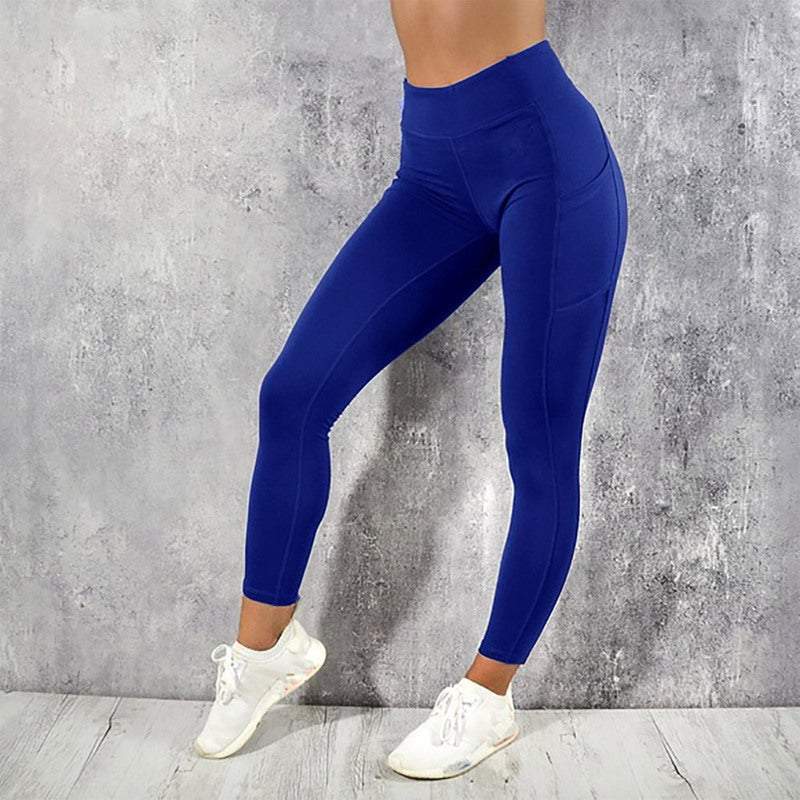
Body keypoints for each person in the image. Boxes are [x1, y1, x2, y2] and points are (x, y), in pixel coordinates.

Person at [193, 0, 628, 780]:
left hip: (547, 162)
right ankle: (264, 651)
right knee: (292, 396)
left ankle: (487, 695)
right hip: (431, 170)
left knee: (540, 445)